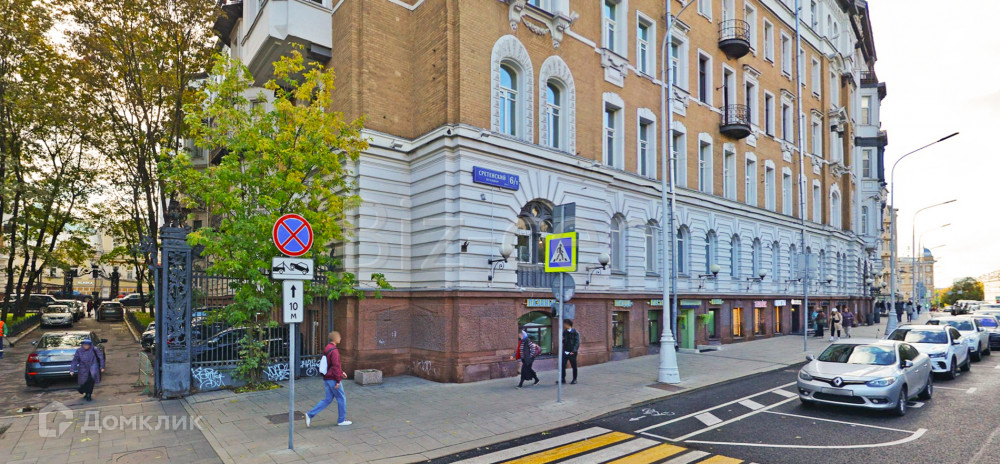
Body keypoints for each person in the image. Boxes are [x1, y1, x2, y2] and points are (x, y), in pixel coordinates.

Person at [305, 331, 351, 427]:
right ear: (335, 339)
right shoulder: (334, 351)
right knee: (341, 398)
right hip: (333, 378)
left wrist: (341, 372)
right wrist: (338, 380)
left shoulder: (328, 347)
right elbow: (335, 366)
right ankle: (341, 420)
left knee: (328, 399)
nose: (340, 338)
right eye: (339, 337)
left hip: (327, 377)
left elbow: (331, 364)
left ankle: (309, 414)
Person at [559, 320, 579, 385]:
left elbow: (577, 342)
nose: (564, 325)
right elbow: (564, 340)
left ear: (568, 324)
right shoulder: (565, 332)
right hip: (565, 351)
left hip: (572, 352)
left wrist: (573, 351)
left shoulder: (575, 332)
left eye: (565, 324)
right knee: (562, 365)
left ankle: (574, 379)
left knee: (574, 366)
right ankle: (562, 379)